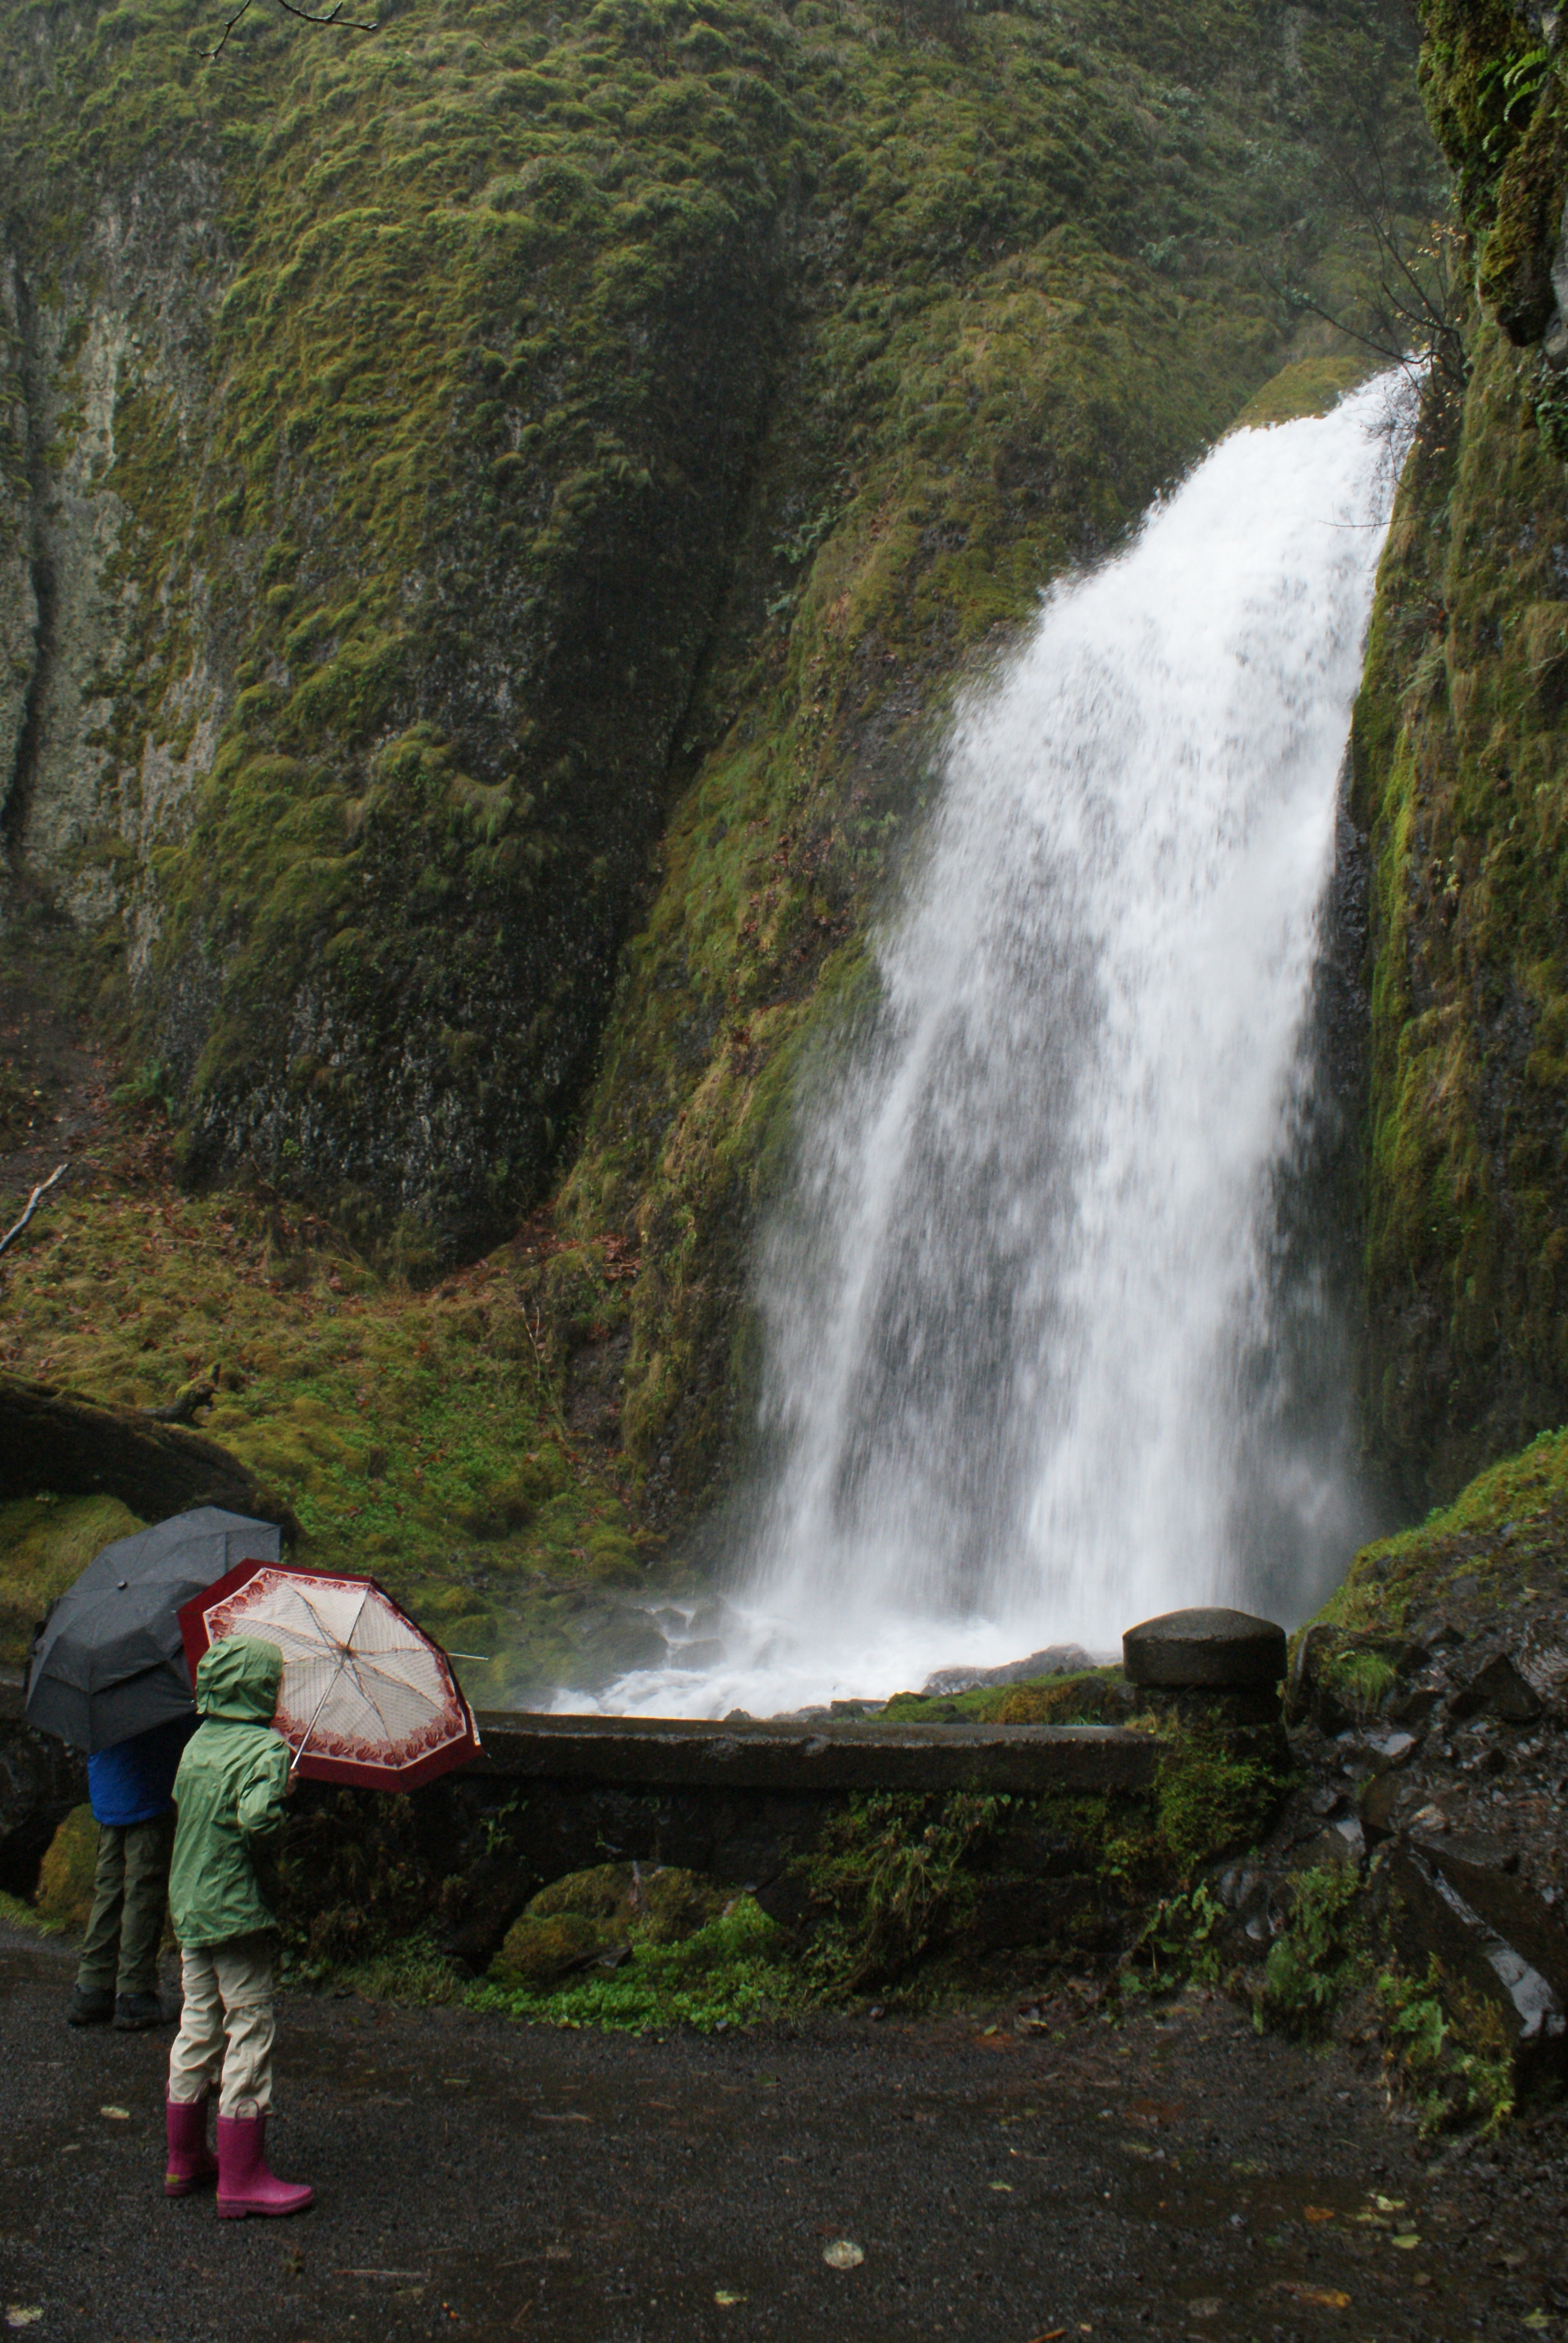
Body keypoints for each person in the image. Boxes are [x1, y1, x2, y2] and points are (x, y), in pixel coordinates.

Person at [162, 1633, 313, 2218]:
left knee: (197, 2022)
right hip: (236, 1910)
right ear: (259, 1688)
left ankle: (184, 2158)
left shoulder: (198, 1742)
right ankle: (242, 2176)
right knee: (249, 2023)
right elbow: (256, 1823)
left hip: (190, 1906)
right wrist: (279, 1795)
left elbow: (189, 1803)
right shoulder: (266, 1750)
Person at [68, 1712, 196, 2030]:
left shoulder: (96, 1673)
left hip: (108, 1788)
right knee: (143, 1890)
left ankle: (92, 1986)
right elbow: (186, 1731)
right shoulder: (156, 1681)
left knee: (109, 1886)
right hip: (147, 1787)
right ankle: (134, 1992)